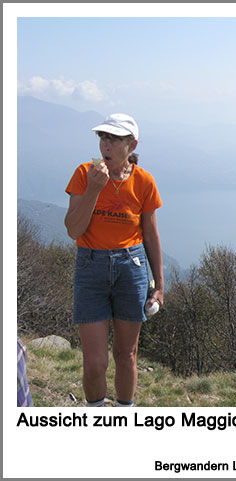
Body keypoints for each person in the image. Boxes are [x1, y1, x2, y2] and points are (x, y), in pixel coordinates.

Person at [64, 113, 164, 407]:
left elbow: (151, 236)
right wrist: (95, 188)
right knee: (94, 362)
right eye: (103, 138)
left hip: (130, 267)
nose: (106, 145)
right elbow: (73, 230)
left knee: (126, 355)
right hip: (90, 265)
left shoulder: (144, 181)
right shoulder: (85, 174)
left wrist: (158, 285)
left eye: (114, 139)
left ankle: (124, 413)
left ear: (131, 145)